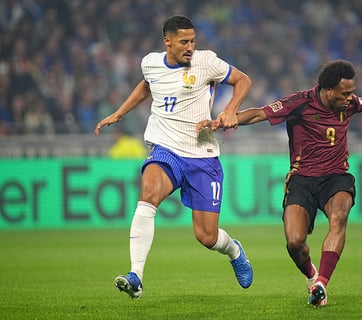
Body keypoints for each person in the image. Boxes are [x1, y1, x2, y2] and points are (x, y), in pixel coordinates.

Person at [198, 59, 362, 307]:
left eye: (351, 92)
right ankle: (311, 275)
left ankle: (321, 283)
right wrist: (224, 120)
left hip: (337, 177)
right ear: (328, 90)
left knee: (338, 218)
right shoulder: (300, 103)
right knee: (294, 242)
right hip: (302, 180)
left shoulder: (347, 104)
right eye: (345, 93)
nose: (350, 98)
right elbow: (260, 113)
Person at [94, 15, 253, 299]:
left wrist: (230, 110)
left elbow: (243, 80)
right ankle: (136, 276)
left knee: (207, 237)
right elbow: (147, 86)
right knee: (148, 194)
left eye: (193, 41)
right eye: (183, 42)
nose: (190, 46)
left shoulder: (207, 62)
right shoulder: (150, 62)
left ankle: (234, 251)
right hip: (166, 149)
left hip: (202, 155)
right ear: (167, 41)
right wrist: (119, 113)